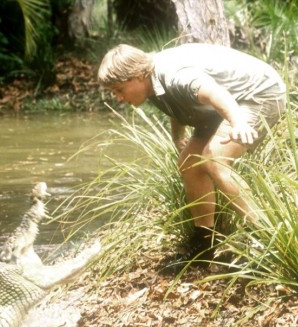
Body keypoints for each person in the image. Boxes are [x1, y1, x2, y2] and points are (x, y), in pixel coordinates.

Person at [97, 43, 286, 271]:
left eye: (119, 89)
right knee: (189, 163)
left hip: (259, 93)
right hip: (227, 102)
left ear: (137, 76)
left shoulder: (175, 75)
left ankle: (269, 242)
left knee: (214, 159)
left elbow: (213, 93)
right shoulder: (151, 80)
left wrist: (238, 123)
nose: (117, 97)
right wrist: (178, 137)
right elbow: (178, 103)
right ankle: (204, 245)